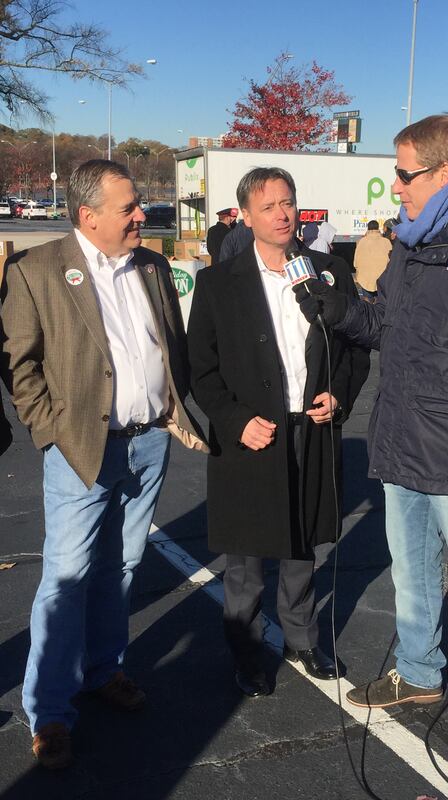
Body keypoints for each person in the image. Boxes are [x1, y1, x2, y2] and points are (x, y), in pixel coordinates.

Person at [295, 114, 448, 783]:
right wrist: (339, 310)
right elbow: (385, 327)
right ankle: (418, 673)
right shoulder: (415, 240)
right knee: (409, 574)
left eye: (404, 174)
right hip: (401, 441)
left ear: (444, 173)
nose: (394, 186)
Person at [0, 159, 208, 770]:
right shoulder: (37, 270)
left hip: (148, 443)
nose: (143, 214)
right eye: (129, 207)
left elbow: (170, 343)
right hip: (81, 447)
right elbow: (20, 365)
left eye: (139, 204)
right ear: (89, 216)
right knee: (66, 577)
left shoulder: (152, 266)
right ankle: (51, 710)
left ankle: (102, 669)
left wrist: (171, 408)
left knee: (123, 563)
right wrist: (52, 432)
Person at [187, 167, 369, 698]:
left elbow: (354, 348)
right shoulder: (219, 283)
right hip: (250, 434)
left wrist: (339, 395)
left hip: (309, 429)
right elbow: (201, 367)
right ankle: (246, 650)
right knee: (245, 558)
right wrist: (236, 420)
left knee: (301, 544)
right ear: (245, 216)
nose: (283, 214)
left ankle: (301, 637)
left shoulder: (329, 272)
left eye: (288, 203)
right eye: (268, 207)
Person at [353, 220, 392, 302]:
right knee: (382, 304)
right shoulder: (386, 242)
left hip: (365, 279)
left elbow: (356, 262)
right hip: (383, 280)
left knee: (368, 303)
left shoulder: (361, 242)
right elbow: (392, 261)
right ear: (378, 228)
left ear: (368, 228)